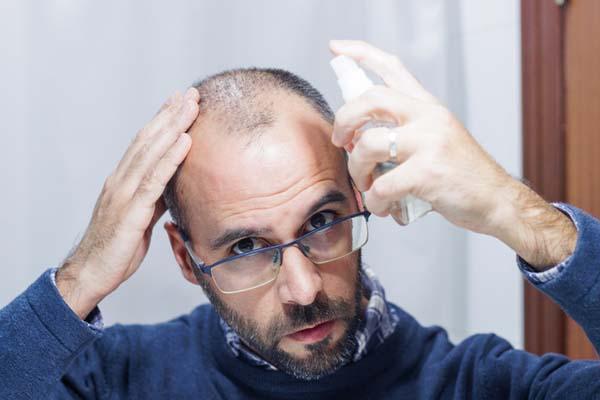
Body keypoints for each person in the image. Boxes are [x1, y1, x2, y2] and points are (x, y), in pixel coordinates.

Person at [1, 40, 599, 399]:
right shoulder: (115, 381)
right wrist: (78, 282)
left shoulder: (479, 385)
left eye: (322, 222)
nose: (303, 288)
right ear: (186, 258)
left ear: (362, 197)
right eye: (245, 248)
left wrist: (517, 214)